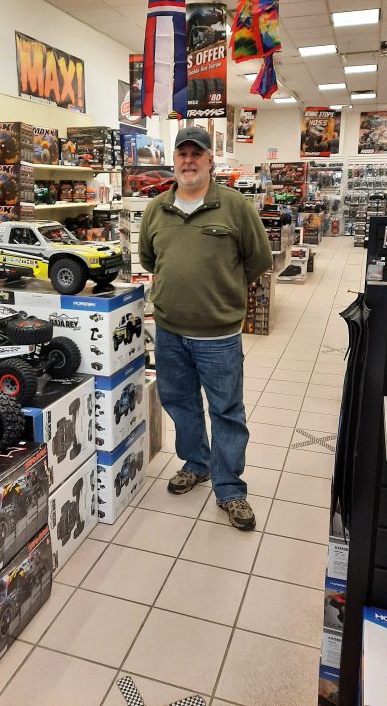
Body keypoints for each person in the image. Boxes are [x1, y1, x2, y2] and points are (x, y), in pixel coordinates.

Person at [138, 126, 273, 530]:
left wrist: (222, 293)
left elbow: (259, 260)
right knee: (180, 403)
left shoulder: (234, 206)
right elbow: (149, 260)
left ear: (210, 160)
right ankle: (196, 463)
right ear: (174, 160)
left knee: (227, 411)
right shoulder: (156, 209)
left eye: (197, 154)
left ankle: (229, 488)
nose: (189, 161)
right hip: (169, 332)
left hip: (219, 336)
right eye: (183, 154)